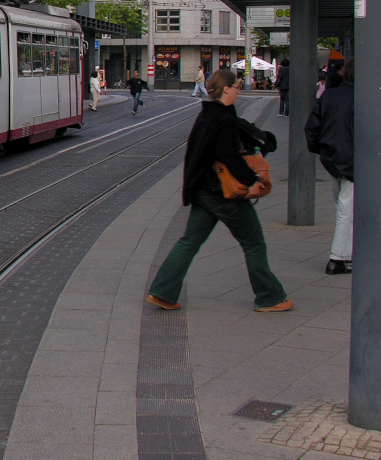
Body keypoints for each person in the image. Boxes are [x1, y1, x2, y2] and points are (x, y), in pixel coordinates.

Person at [145, 68, 293, 313]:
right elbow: (229, 157)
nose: (238, 90)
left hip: (203, 189)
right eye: (236, 86)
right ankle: (269, 296)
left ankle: (162, 292)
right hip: (221, 191)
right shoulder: (223, 119)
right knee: (253, 241)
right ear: (226, 89)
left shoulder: (208, 115)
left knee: (189, 241)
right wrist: (252, 179)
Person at [305, 58, 354, 275]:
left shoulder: (330, 95)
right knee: (347, 209)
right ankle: (338, 258)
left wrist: (323, 150)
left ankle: (347, 252)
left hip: (331, 159)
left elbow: (311, 128)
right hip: (353, 161)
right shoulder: (366, 97)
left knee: (342, 205)